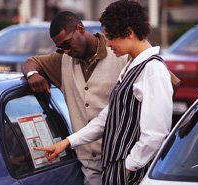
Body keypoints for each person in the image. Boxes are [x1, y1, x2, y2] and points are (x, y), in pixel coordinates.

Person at [34, 1, 173, 185]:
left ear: (129, 33)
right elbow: (107, 117)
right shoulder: (131, 67)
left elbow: (156, 133)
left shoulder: (153, 70)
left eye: (110, 37)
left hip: (131, 175)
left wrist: (128, 166)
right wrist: (67, 142)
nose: (107, 43)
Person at [22, 11, 127, 185]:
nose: (66, 51)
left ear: (80, 29)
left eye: (67, 44)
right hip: (89, 165)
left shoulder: (119, 53)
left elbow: (166, 83)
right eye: (61, 48)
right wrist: (32, 74)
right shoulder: (62, 60)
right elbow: (31, 62)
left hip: (123, 160)